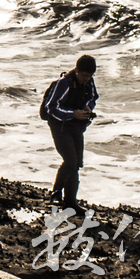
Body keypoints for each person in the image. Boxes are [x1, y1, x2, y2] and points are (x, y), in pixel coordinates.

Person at [43, 54, 99, 215]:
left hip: (76, 126)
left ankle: (70, 202)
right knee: (70, 160)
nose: (87, 79)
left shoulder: (89, 82)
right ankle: (55, 194)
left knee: (77, 163)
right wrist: (72, 114)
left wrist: (88, 107)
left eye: (90, 76)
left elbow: (94, 97)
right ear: (76, 70)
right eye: (84, 75)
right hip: (59, 125)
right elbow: (51, 108)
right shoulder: (63, 83)